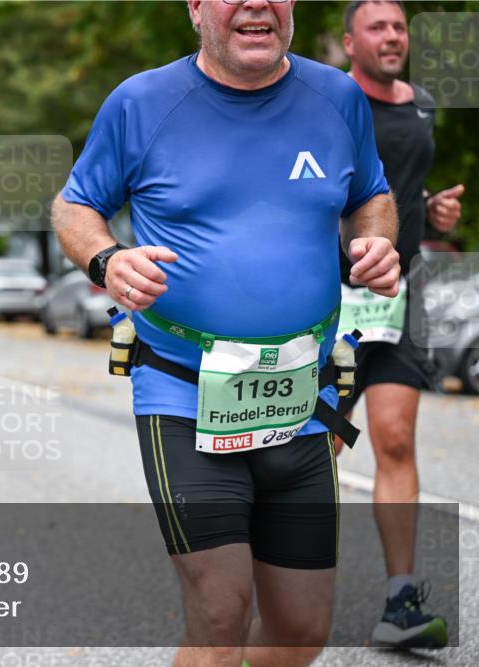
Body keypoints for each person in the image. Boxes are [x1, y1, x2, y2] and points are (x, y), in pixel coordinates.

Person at [52, 1, 399, 665]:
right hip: (183, 395)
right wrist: (107, 258)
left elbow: (370, 195)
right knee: (221, 611)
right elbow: (74, 205)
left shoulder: (337, 98)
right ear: (195, 8)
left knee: (302, 626)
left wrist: (375, 241)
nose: (256, 3)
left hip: (300, 402)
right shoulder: (142, 102)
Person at [334, 0, 461, 649]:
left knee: (396, 438)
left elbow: (400, 187)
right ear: (349, 41)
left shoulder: (422, 104)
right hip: (331, 300)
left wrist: (429, 212)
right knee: (316, 448)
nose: (392, 37)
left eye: (399, 26)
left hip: (397, 297)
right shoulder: (328, 100)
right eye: (377, 27)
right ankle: (286, 589)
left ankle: (400, 600)